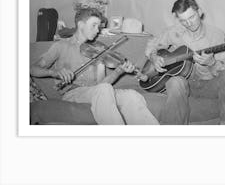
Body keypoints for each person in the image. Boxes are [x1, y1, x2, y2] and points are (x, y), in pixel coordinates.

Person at [30, 7, 159, 125]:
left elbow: (102, 84)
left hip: (95, 92)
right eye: (94, 25)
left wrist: (119, 71)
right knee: (103, 90)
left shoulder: (98, 49)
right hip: (73, 93)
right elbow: (33, 69)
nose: (98, 30)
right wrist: (54, 73)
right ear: (81, 25)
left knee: (131, 95)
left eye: (99, 26)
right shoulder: (61, 46)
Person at [145, 0, 225, 125]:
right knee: (174, 82)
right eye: (183, 20)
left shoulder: (217, 35)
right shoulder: (175, 31)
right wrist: (153, 57)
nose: (189, 24)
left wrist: (211, 63)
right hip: (184, 82)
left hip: (207, 83)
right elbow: (152, 43)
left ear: (199, 12)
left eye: (191, 17)